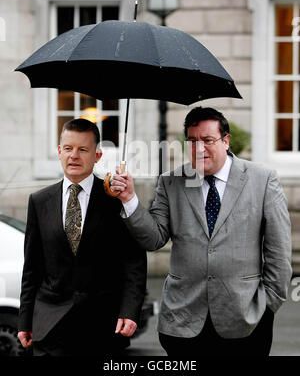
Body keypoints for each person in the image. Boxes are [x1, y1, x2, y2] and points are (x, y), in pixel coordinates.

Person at [112, 106, 292, 357]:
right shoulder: (171, 181)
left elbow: (279, 254)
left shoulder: (262, 180)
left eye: (208, 140)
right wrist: (130, 198)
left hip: (246, 321)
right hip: (183, 323)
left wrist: (267, 305)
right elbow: (153, 238)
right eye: (192, 141)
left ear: (226, 141)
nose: (199, 148)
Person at [17, 118, 147, 356]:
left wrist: (130, 310)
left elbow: (134, 261)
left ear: (97, 156)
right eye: (68, 148)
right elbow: (32, 268)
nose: (74, 156)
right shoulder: (38, 201)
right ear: (59, 151)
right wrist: (25, 320)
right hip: (49, 327)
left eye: (83, 149)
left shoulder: (116, 199)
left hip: (102, 330)